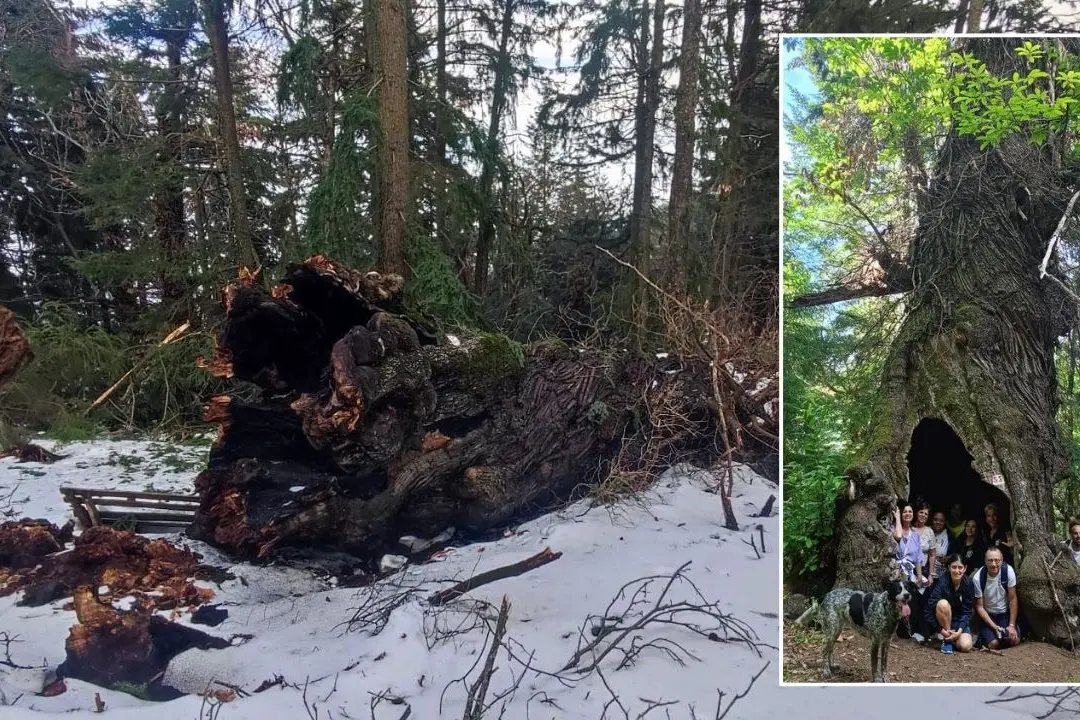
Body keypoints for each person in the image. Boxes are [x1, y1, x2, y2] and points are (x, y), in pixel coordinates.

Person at [924, 553, 976, 654]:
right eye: (954, 567)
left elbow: (967, 611)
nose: (957, 571)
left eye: (960, 567)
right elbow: (928, 611)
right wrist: (941, 630)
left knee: (966, 646)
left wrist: (960, 630)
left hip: (959, 621)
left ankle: (953, 639)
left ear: (965, 568)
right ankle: (947, 639)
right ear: (949, 567)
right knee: (942, 603)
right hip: (944, 620)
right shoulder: (942, 582)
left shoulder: (968, 583)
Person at [972, 546, 1020, 650]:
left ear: (1002, 561)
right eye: (990, 560)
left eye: (997, 560)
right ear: (985, 561)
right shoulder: (978, 577)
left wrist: (1011, 625)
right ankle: (983, 638)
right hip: (988, 615)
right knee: (994, 644)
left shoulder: (1008, 571)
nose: (994, 564)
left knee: (1014, 640)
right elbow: (979, 607)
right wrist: (994, 627)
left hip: (1004, 614)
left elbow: (1013, 599)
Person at [892, 501, 928, 641]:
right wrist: (897, 518)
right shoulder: (893, 528)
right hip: (897, 572)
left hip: (911, 573)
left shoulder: (915, 535)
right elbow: (898, 536)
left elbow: (918, 558)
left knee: (916, 600)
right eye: (905, 511)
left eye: (910, 512)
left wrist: (919, 576)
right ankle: (902, 631)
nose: (908, 514)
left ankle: (915, 631)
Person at [929, 510, 951, 582]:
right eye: (935, 520)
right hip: (924, 572)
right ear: (932, 520)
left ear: (945, 522)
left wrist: (948, 557)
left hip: (941, 575)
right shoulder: (926, 531)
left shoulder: (949, 536)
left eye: (941, 520)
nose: (938, 522)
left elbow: (956, 553)